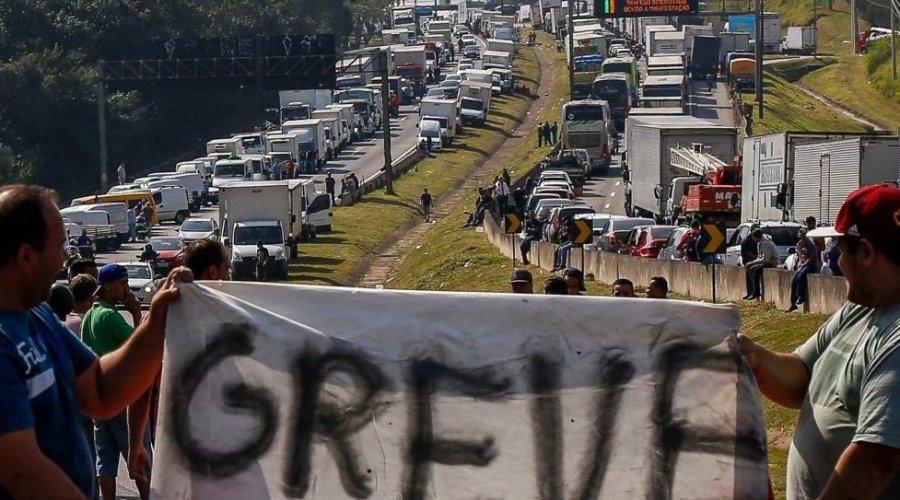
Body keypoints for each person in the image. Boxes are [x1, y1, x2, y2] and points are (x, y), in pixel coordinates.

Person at [0, 185, 181, 499]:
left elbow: (101, 391)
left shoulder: (39, 315)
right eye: (59, 247)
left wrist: (157, 322)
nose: (64, 260)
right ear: (27, 256)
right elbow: (21, 471)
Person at [737, 184, 900, 498]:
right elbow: (802, 377)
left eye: (841, 250)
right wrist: (754, 356)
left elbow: (877, 460)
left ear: (865, 252)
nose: (837, 262)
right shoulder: (861, 309)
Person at [81, 264, 154, 500]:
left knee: (106, 459)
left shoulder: (91, 314)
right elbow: (140, 345)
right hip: (122, 398)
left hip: (101, 399)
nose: (126, 289)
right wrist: (135, 313)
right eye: (122, 284)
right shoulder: (109, 315)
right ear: (107, 286)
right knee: (137, 453)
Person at [787, 228, 820, 312]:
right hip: (803, 265)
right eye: (801, 236)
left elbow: (811, 259)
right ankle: (792, 303)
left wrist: (803, 265)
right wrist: (797, 264)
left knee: (802, 276)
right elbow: (799, 256)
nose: (803, 238)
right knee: (794, 280)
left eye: (804, 236)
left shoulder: (812, 246)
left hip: (812, 265)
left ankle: (800, 296)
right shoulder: (799, 245)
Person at [743, 229, 780, 300]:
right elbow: (760, 257)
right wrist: (751, 263)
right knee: (749, 269)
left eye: (753, 237)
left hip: (771, 262)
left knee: (755, 270)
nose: (752, 239)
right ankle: (750, 292)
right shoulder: (759, 243)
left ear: (756, 237)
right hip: (765, 261)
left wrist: (752, 263)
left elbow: (765, 259)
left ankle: (756, 292)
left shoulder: (765, 244)